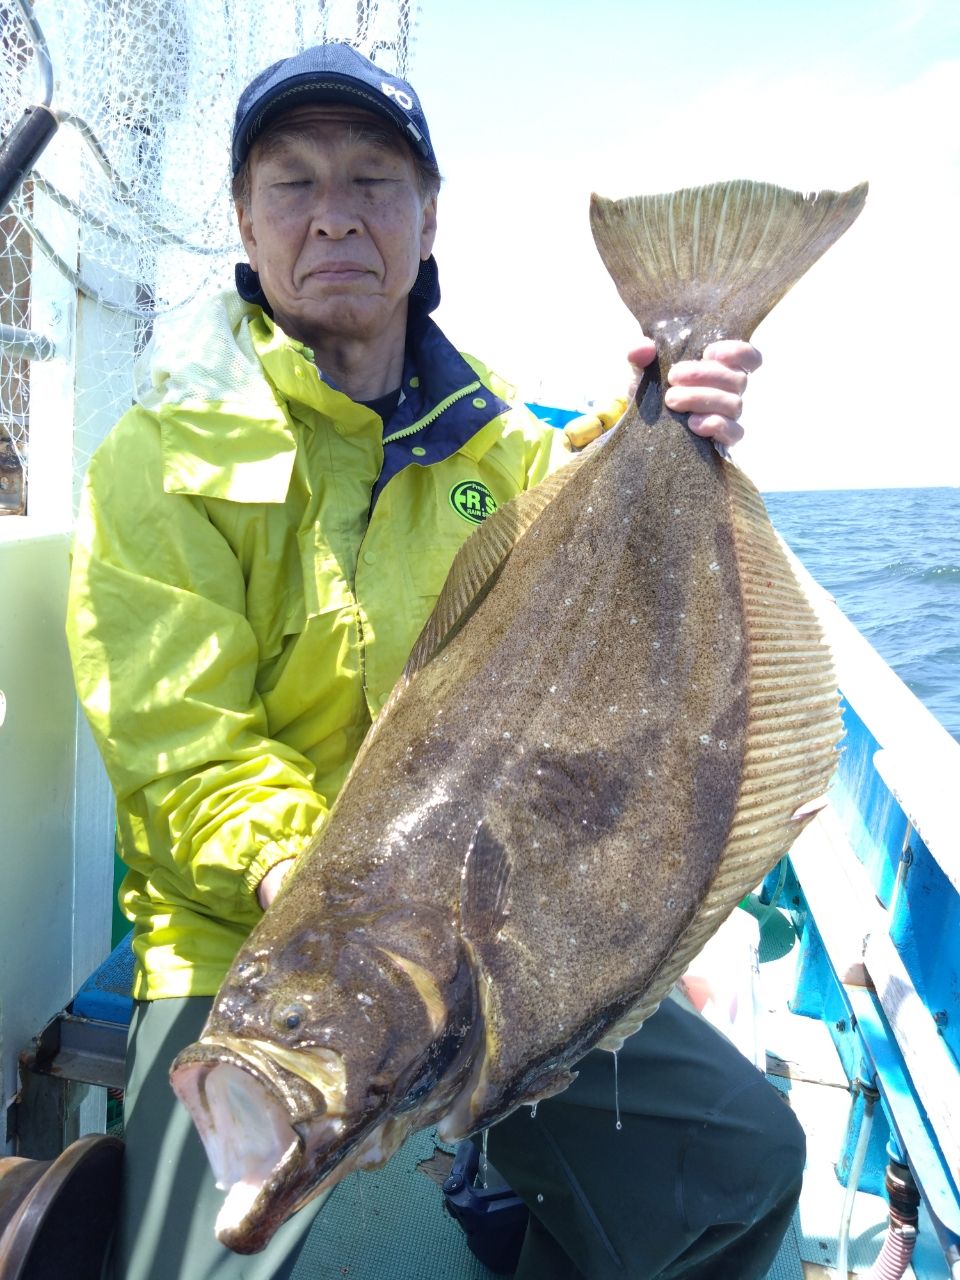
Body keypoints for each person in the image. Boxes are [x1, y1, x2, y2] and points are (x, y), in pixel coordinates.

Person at [61, 42, 801, 1280]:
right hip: (246, 953)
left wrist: (678, 412)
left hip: (514, 949)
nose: (333, 213)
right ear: (244, 219)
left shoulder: (513, 454)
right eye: (292, 183)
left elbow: (608, 599)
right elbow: (181, 748)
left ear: (428, 215)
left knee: (741, 1164)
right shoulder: (159, 462)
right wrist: (334, 911)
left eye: (372, 179)